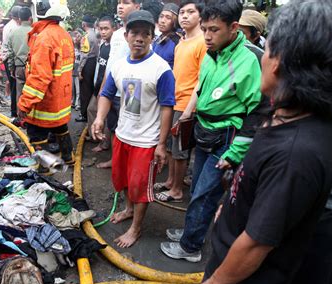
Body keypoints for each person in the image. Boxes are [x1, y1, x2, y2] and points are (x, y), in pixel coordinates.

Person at [183, 1, 332, 284]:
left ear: (279, 63)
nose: (261, 57)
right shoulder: (291, 113)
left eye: (266, 49)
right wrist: (228, 207)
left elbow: (258, 240)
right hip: (229, 269)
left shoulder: (297, 152)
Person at [160, 0, 262, 262]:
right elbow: (202, 90)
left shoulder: (248, 60)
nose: (206, 36)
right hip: (205, 131)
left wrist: (235, 152)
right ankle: (192, 232)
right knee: (197, 190)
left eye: (214, 30)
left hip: (227, 139)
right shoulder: (212, 53)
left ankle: (190, 247)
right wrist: (187, 116)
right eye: (204, 28)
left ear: (234, 27)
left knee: (206, 193)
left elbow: (257, 112)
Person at [91, 10, 175, 248]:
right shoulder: (118, 65)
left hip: (146, 141)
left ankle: (136, 229)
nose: (139, 38)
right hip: (122, 135)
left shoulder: (161, 69)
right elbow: (107, 93)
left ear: (152, 37)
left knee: (140, 187)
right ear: (126, 35)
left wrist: (161, 144)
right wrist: (99, 118)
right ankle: (128, 209)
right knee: (123, 179)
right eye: (135, 33)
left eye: (145, 34)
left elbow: (167, 107)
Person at [154, 0, 206, 203]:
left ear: (200, 16)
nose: (184, 16)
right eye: (182, 12)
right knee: (172, 148)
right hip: (174, 100)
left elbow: (203, 79)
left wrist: (189, 110)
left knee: (180, 151)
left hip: (186, 104)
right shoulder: (182, 41)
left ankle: (176, 190)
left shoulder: (202, 42)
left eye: (190, 12)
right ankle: (169, 182)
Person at [17, 0, 75, 165]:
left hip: (46, 101)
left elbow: (40, 77)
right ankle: (68, 157)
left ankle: (45, 170)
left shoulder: (44, 38)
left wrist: (24, 104)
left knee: (37, 135)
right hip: (61, 99)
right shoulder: (63, 34)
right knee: (60, 126)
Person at [95, 0, 141, 169]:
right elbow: (111, 63)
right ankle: (116, 160)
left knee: (131, 126)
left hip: (132, 88)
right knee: (114, 126)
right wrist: (104, 86)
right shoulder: (117, 34)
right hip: (113, 88)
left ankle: (131, 163)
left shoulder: (143, 33)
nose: (120, 6)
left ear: (137, 6)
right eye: (119, 2)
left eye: (126, 2)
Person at [87, 15, 115, 153]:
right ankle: (95, 136)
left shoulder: (114, 48)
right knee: (91, 110)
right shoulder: (103, 45)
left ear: (113, 29)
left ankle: (103, 143)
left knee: (106, 117)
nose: (103, 32)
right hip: (97, 86)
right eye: (101, 29)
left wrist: (103, 89)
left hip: (106, 89)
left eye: (106, 29)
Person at [7, 6, 32, 105]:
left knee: (20, 93)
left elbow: (10, 53)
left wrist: (11, 68)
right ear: (30, 18)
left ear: (19, 19)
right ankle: (31, 117)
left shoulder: (13, 33)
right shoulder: (35, 32)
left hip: (19, 67)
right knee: (31, 93)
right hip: (32, 68)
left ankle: (20, 117)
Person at [75, 15, 99, 122]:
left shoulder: (86, 37)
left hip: (87, 64)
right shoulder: (96, 35)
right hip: (94, 63)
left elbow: (84, 55)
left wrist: (79, 70)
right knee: (90, 89)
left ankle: (84, 114)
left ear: (83, 24)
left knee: (85, 91)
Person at [1, 5, 21, 117]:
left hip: (7, 58)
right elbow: (14, 47)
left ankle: (14, 112)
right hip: (11, 59)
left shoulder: (7, 26)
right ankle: (15, 113)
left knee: (13, 85)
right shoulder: (14, 27)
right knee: (15, 86)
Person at [152, 3, 180, 69]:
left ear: (175, 21)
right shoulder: (157, 40)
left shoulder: (178, 42)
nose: (162, 21)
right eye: (161, 16)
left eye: (168, 18)